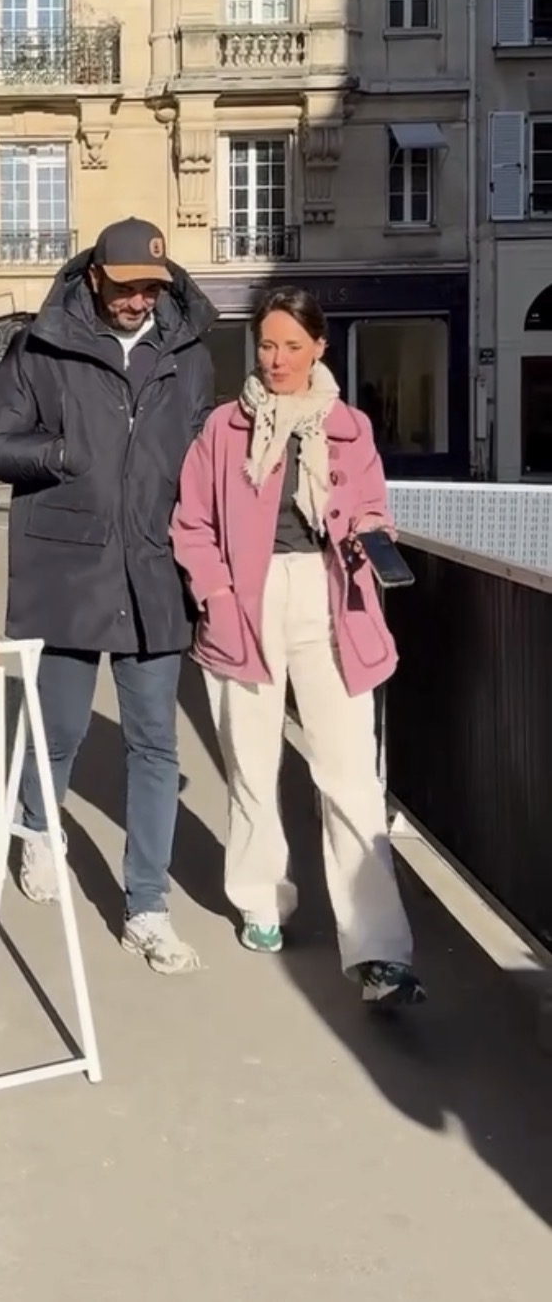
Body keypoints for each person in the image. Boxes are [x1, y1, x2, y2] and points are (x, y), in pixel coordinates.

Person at [0, 217, 218, 973]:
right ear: (94, 278)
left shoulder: (189, 355)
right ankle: (38, 826)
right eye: (126, 286)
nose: (139, 300)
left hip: (155, 573)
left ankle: (147, 906)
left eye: (152, 288)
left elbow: (202, 458)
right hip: (67, 570)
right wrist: (60, 454)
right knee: (59, 729)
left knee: (155, 744)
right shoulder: (39, 346)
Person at [170, 286, 426, 1007]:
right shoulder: (223, 427)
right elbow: (191, 523)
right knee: (252, 766)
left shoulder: (348, 427)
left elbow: (372, 507)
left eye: (290, 345)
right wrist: (218, 596)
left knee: (349, 776)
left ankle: (378, 949)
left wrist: (370, 530)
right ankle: (260, 898)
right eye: (266, 345)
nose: (276, 359)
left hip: (330, 598)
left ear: (318, 347)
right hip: (243, 605)